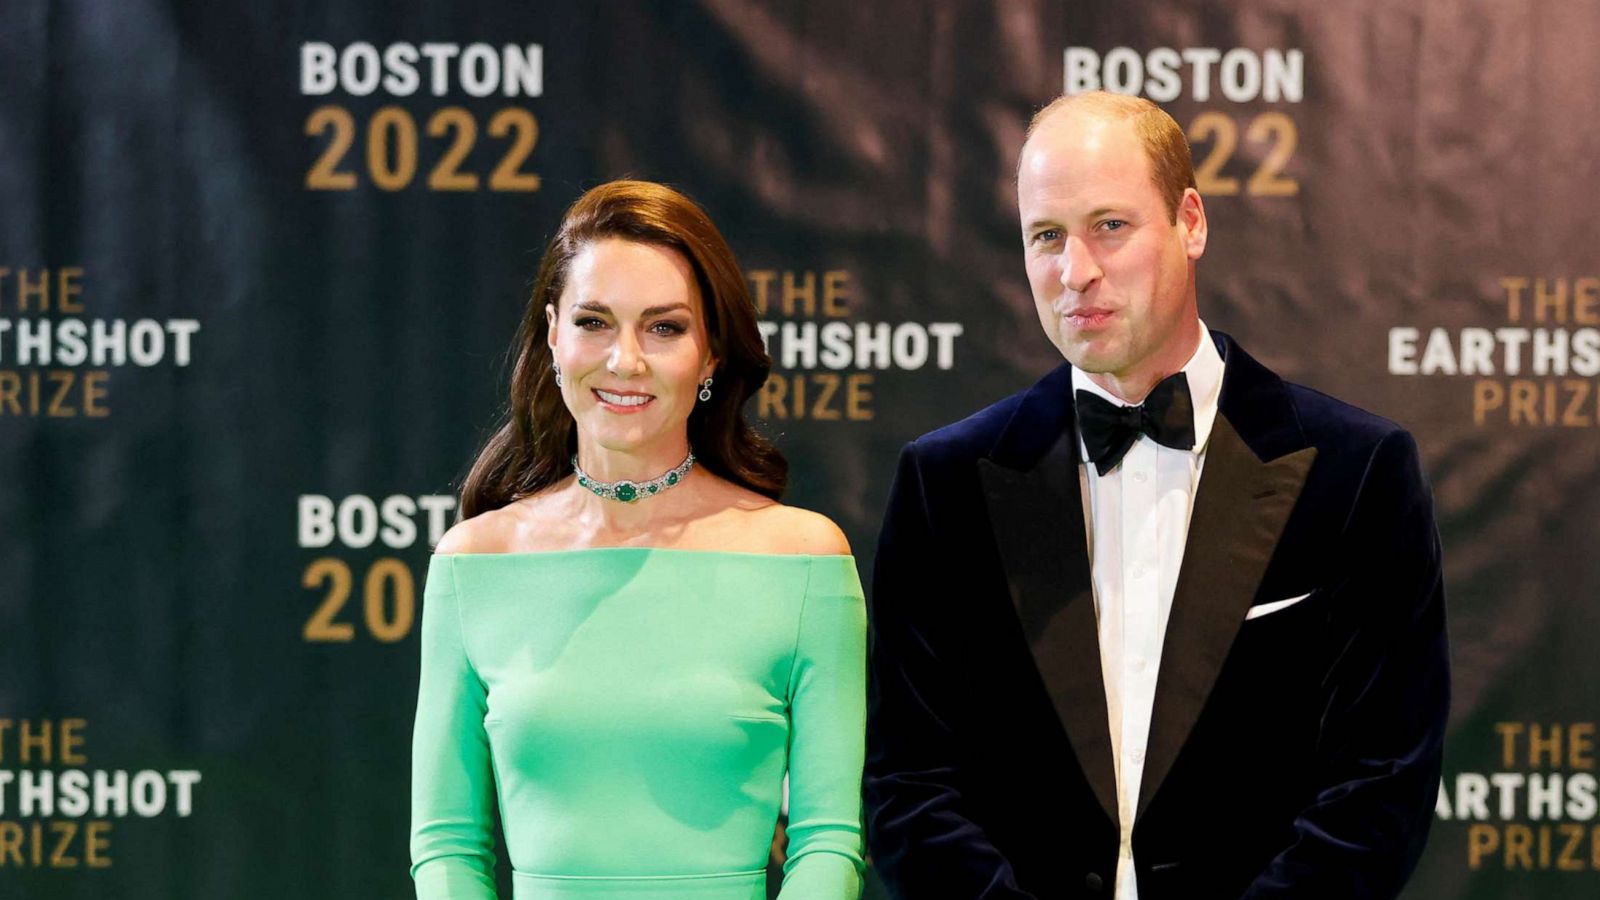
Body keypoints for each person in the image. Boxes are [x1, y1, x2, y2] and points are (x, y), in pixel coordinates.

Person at [864, 92, 1449, 899]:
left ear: (1192, 222)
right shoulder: (945, 482)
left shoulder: (1357, 472)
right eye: (1046, 236)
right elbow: (909, 787)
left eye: (1110, 225)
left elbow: (1380, 787)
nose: (1075, 273)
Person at [410, 180, 866, 900]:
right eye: (595, 321)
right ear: (553, 333)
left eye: (664, 327)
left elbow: (829, 841)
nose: (624, 360)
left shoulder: (805, 559)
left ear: (712, 353)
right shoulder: (475, 563)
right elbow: (446, 846)